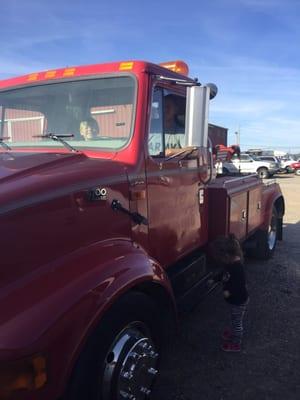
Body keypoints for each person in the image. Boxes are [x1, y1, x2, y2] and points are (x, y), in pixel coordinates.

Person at [210, 234, 249, 352]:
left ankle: (236, 343)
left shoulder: (237, 268)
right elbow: (224, 274)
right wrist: (215, 279)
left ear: (227, 255)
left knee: (237, 322)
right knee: (233, 318)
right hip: (234, 300)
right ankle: (233, 333)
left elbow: (239, 285)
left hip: (239, 300)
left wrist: (229, 291)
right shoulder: (230, 264)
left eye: (221, 258)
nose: (221, 261)